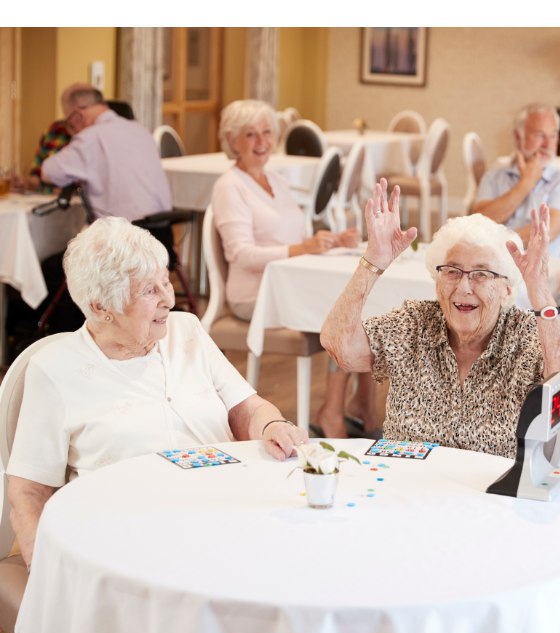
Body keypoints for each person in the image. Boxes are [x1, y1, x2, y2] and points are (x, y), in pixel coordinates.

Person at [6, 219, 309, 571]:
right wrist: (50, 582)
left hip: (229, 512)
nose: (169, 298)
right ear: (102, 306)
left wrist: (272, 424)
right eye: (149, 291)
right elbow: (29, 494)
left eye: (166, 280)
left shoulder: (188, 330)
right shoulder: (55, 369)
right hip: (131, 542)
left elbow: (246, 410)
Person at [320, 178, 560, 458]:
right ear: (437, 282)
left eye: (481, 274)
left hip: (488, 492)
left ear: (507, 290)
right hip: (407, 485)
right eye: (452, 271)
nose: (463, 287)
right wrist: (374, 260)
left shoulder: (525, 333)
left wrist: (541, 293)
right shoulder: (415, 323)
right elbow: (339, 347)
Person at [211, 99, 369, 439]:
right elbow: (240, 254)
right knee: (347, 314)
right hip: (253, 295)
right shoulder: (229, 186)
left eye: (266, 132)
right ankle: (332, 414)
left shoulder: (276, 180)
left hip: (291, 287)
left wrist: (330, 240)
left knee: (363, 307)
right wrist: (303, 248)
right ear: (231, 140)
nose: (261, 141)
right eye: (249, 134)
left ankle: (362, 405)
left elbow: (297, 236)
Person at [39, 87, 172, 223]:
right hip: (162, 232)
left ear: (79, 115)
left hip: (124, 236)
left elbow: (48, 172)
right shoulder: (141, 130)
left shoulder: (90, 137)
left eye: (69, 124)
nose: (70, 130)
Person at [472, 104, 560, 257]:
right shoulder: (493, 178)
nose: (548, 144)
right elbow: (479, 223)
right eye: (540, 135)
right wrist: (526, 182)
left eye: (553, 135)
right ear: (518, 137)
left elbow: (547, 231)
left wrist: (495, 247)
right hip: (492, 269)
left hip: (538, 275)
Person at [16, 83, 85, 193]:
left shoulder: (97, 136)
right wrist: (25, 185)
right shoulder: (54, 130)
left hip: (82, 207)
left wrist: (73, 190)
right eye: (69, 123)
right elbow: (36, 179)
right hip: (49, 204)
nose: (74, 129)